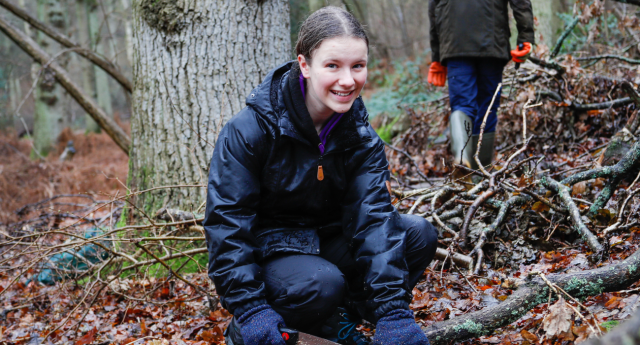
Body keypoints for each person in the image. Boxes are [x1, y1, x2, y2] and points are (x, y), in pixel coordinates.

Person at [204, 6, 438, 345]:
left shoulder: (359, 136)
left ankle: (341, 321)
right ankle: (247, 330)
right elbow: (227, 225)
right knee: (321, 283)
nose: (348, 80)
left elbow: (372, 218)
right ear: (305, 66)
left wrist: (394, 314)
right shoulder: (249, 130)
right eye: (333, 65)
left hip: (327, 240)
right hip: (273, 253)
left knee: (417, 235)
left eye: (358, 66)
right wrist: (251, 309)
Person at [427, 0, 535, 170]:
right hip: (492, 40)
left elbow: (434, 8)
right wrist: (526, 37)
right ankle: (482, 175)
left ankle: (462, 159)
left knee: (462, 105)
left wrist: (437, 55)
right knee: (488, 106)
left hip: (455, 41)